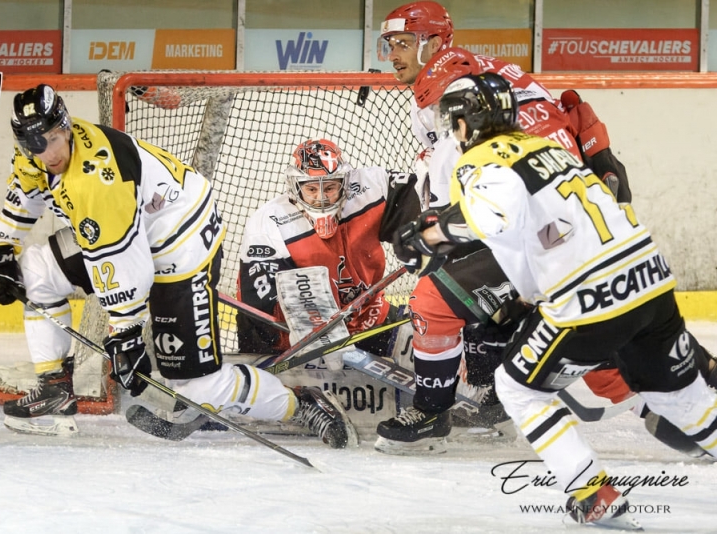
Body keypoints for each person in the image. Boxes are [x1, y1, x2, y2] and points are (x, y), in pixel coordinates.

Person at [401, 71, 717, 529]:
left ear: (466, 124)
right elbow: (550, 225)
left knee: (516, 388)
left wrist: (432, 233)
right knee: (682, 400)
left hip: (592, 297)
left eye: (454, 123)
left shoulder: (479, 160)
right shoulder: (547, 145)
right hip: (649, 280)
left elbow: (495, 218)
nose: (453, 131)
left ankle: (592, 494)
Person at [0, 84, 358, 448]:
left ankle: (301, 404)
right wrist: (1, 248)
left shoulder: (99, 180)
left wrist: (125, 333)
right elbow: (26, 190)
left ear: (66, 127)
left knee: (195, 385)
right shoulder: (35, 152)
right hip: (131, 230)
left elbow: (127, 267)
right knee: (33, 274)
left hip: (180, 242)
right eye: (35, 143)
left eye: (53, 138)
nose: (47, 152)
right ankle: (54, 387)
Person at [373, 1, 632, 455]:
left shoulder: (456, 94)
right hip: (568, 220)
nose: (393, 54)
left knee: (438, 299)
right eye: (389, 44)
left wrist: (433, 233)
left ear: (434, 43)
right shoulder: (488, 75)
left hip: (543, 229)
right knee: (534, 316)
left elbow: (486, 191)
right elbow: (570, 109)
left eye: (402, 43)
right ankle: (497, 394)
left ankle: (435, 408)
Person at [237, 139, 420, 358]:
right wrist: (286, 345)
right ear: (296, 188)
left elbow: (419, 195)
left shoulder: (369, 188)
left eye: (330, 187)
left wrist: (425, 236)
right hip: (305, 338)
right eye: (312, 189)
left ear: (344, 182)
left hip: (370, 316)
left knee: (427, 342)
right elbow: (257, 308)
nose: (321, 198)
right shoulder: (270, 222)